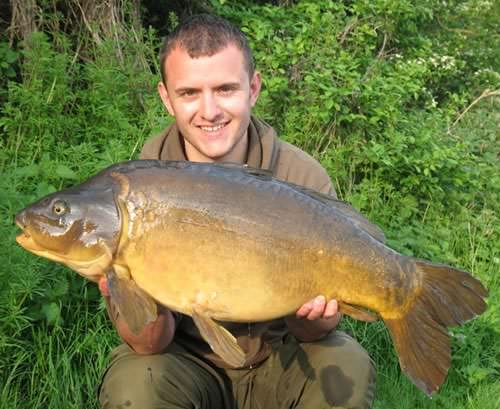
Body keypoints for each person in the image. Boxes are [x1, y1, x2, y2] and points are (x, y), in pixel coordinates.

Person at [98, 14, 375, 409]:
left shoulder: (299, 176)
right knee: (137, 379)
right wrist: (125, 286)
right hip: (189, 364)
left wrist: (311, 313)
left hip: (281, 358)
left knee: (345, 361)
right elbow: (149, 343)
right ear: (166, 97)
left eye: (226, 88)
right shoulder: (143, 190)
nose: (209, 110)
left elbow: (317, 332)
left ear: (253, 88)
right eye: (190, 93)